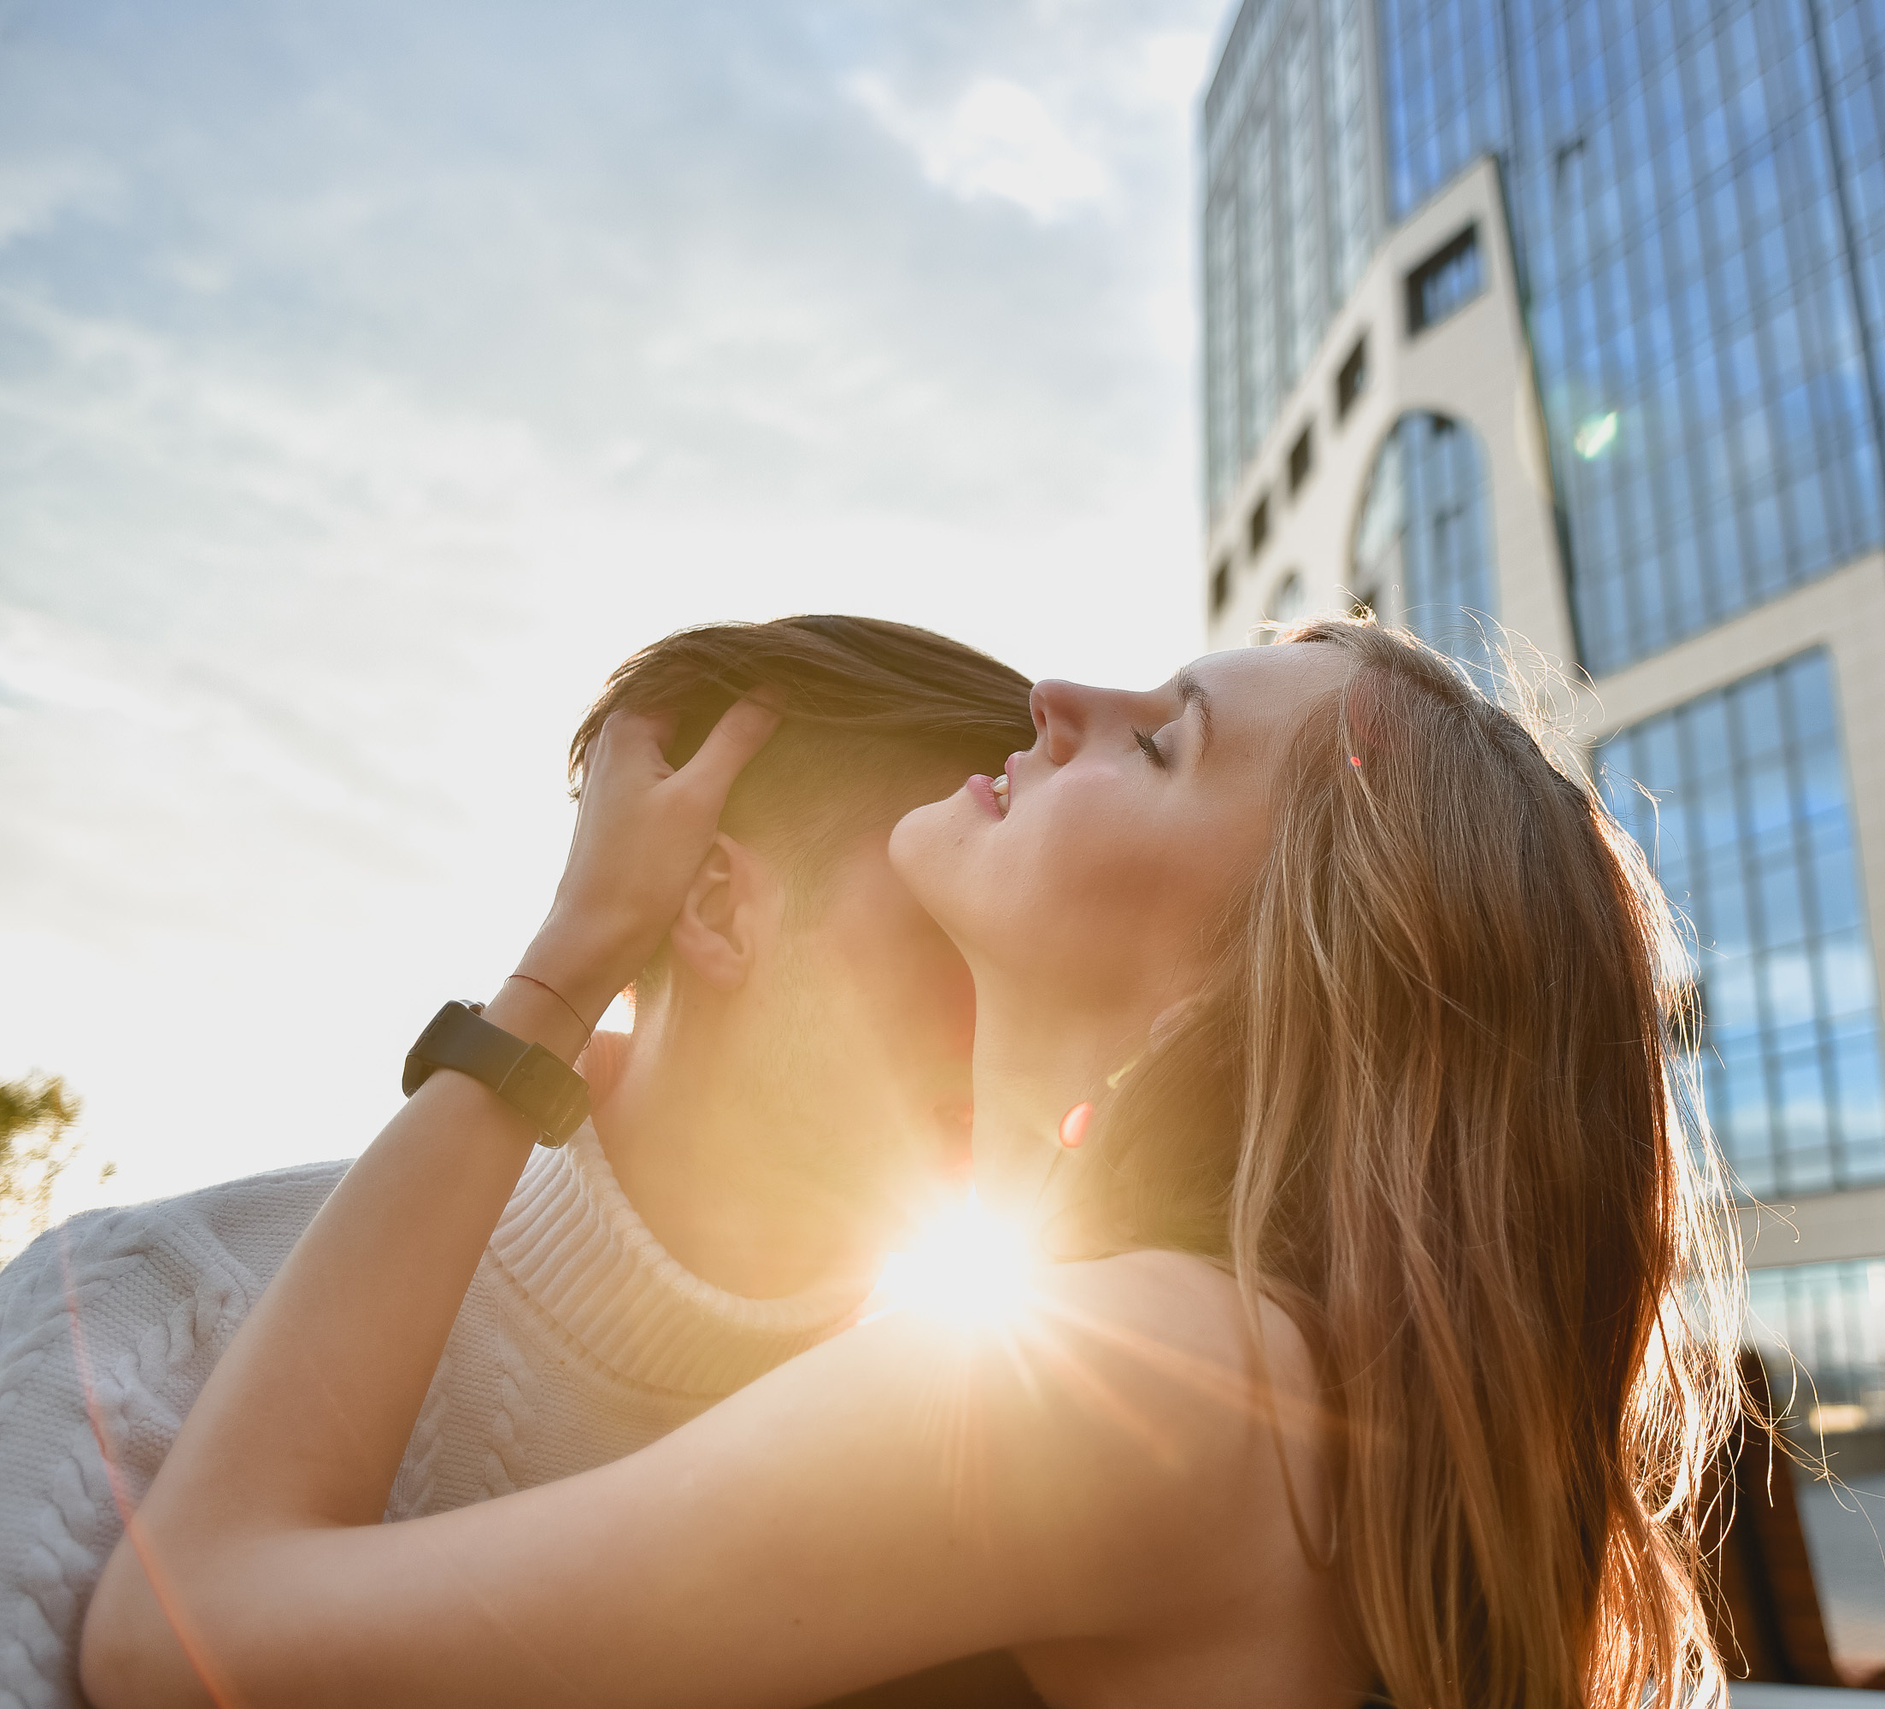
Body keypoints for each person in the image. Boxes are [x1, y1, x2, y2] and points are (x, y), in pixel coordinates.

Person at [80, 621, 1745, 1709]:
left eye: (1162, 742)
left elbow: (181, 1628)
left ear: (1245, 987)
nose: (1062, 699)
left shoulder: (1142, 1382)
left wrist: (558, 984)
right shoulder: (1227, 1378)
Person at [0, 616, 1043, 1709]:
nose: (1025, 1008)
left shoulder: (959, 1513)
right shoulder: (139, 1314)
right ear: (718, 906)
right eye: (951, 930)